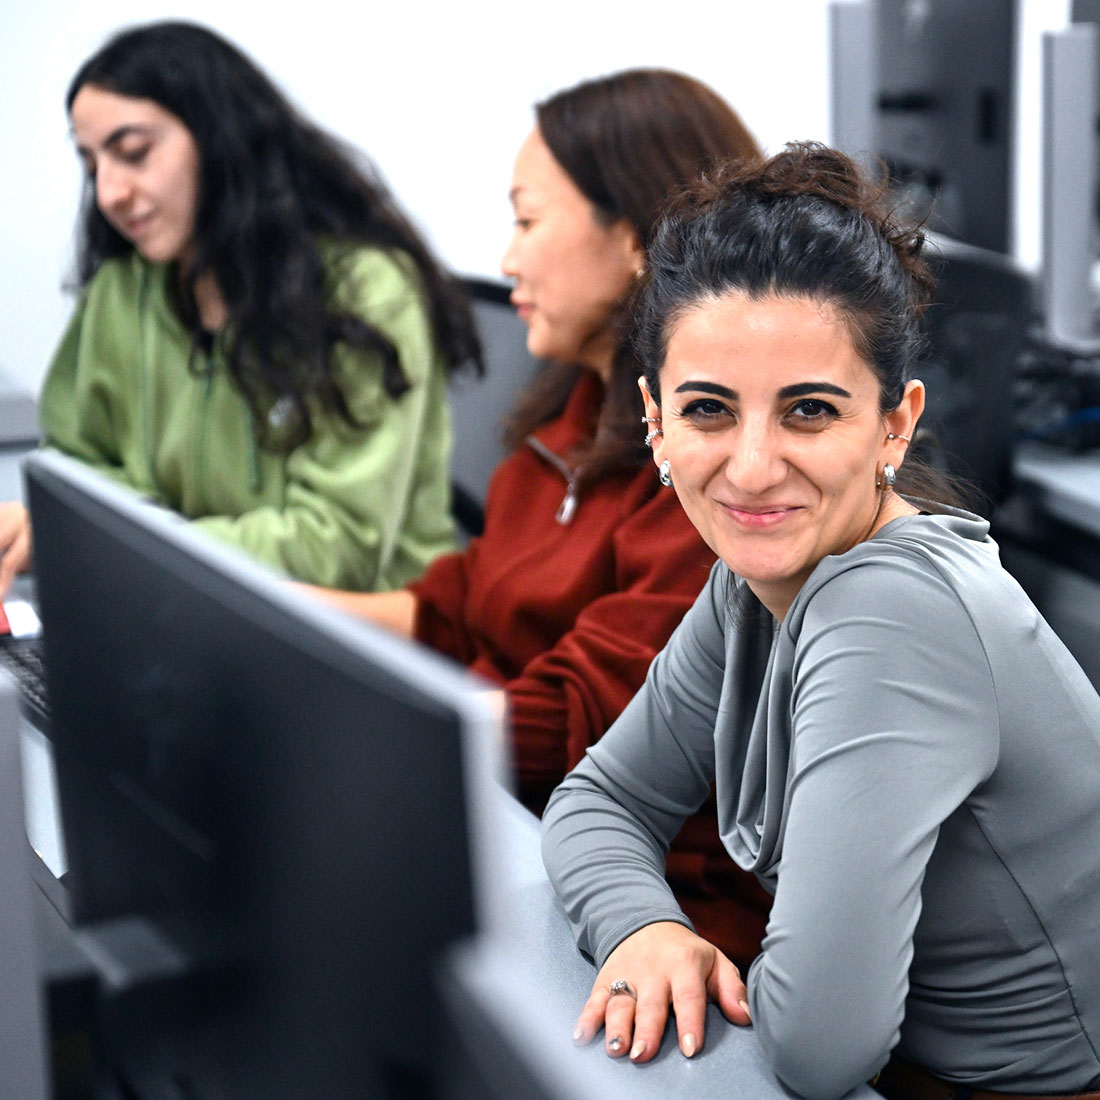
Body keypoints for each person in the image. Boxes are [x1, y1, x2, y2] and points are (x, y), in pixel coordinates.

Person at [541, 143, 1100, 1100]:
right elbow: (596, 801)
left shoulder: (892, 611)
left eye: (808, 411)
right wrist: (645, 926)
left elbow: (817, 1049)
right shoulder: (751, 587)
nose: (752, 467)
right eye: (709, 410)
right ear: (655, 421)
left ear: (894, 424)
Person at [305, 69, 772, 969]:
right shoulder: (567, 423)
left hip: (649, 902)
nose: (508, 261)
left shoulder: (714, 482)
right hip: (503, 820)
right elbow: (452, 608)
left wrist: (347, 739)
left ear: (636, 240)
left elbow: (573, 727)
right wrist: (270, 609)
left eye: (526, 221)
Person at [0, 20, 480, 594]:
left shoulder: (366, 291)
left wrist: (127, 539)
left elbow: (337, 548)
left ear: (222, 137)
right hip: (184, 608)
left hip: (350, 640)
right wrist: (51, 524)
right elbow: (76, 466)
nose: (108, 194)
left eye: (133, 153)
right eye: (92, 163)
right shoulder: (123, 290)